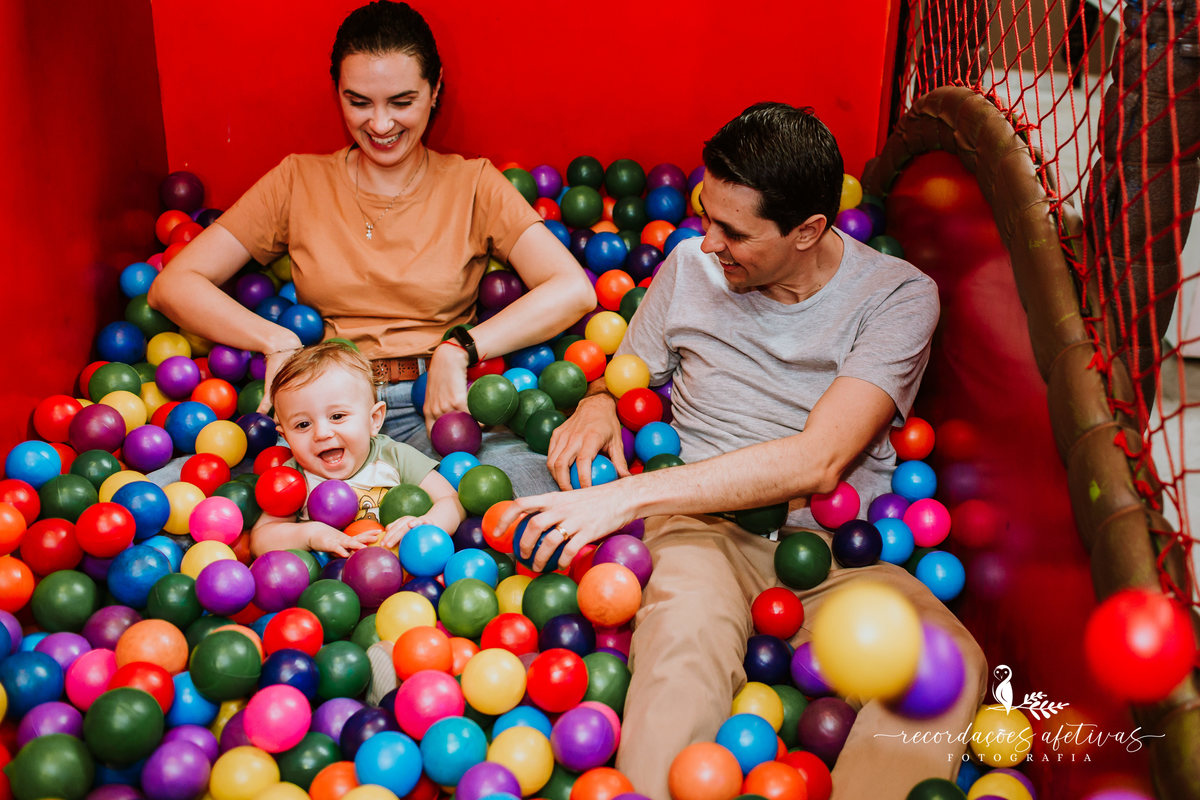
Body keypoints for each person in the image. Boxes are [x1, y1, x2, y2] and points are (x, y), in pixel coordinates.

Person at [499, 103, 987, 799]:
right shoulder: (687, 266)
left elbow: (822, 458)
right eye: (704, 213)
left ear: (808, 230)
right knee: (681, 652)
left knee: (946, 662)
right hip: (703, 531)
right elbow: (627, 375)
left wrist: (623, 496)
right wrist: (598, 401)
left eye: (733, 231)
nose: (707, 242)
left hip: (836, 554)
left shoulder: (897, 296)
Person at [148, 1, 592, 497]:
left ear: (435, 89)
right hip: (319, 420)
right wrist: (276, 342)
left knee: (553, 496)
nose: (380, 125)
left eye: (401, 102)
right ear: (337, 91)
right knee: (171, 500)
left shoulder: (474, 184)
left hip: (437, 415)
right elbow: (173, 285)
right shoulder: (299, 180)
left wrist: (460, 347)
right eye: (359, 102)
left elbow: (573, 289)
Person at [250, 342, 464, 557]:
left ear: (374, 419)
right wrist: (312, 534)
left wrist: (426, 525)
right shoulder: (293, 479)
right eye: (303, 425)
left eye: (337, 416)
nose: (322, 433)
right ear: (285, 437)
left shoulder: (394, 456)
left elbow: (452, 501)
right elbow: (261, 540)